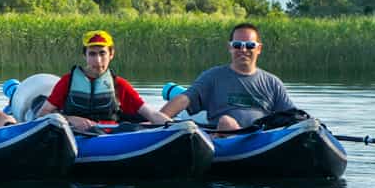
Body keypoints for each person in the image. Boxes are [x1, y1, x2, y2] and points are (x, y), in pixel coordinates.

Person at [158, 22, 298, 131]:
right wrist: (157, 120)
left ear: (259, 49)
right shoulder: (213, 77)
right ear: (230, 47)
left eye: (249, 45)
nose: (243, 50)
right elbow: (185, 99)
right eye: (237, 45)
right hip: (225, 138)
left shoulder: (272, 82)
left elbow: (292, 115)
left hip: (260, 137)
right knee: (226, 121)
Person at [33, 29, 171, 133]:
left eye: (102, 53)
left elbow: (150, 113)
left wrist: (175, 126)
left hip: (109, 136)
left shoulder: (119, 85)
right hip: (74, 134)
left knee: (134, 124)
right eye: (92, 54)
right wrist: (70, 119)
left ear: (111, 54)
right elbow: (43, 113)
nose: (97, 60)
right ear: (85, 56)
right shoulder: (67, 81)